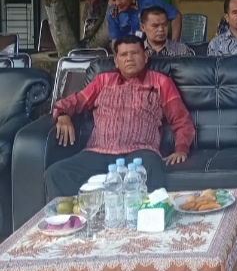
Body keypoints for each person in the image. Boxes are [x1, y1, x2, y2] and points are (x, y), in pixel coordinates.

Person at [45, 35, 195, 198]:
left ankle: (149, 214)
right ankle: (75, 215)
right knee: (56, 173)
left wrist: (181, 149)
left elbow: (181, 119)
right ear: (116, 61)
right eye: (123, 55)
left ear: (145, 57)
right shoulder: (102, 81)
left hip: (140, 154)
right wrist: (63, 115)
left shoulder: (161, 82)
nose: (129, 58)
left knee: (151, 169)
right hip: (98, 152)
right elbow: (75, 101)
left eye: (134, 53)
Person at [106, 0, 182, 45]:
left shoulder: (151, 2)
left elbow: (176, 16)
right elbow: (115, 41)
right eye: (113, 0)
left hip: (158, 50)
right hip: (132, 53)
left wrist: (174, 44)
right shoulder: (113, 13)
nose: (118, 3)